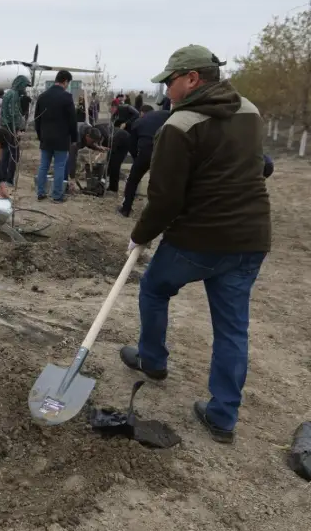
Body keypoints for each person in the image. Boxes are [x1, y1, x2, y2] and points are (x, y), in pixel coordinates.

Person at [122, 45, 270, 444]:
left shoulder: (180, 124)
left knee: (154, 289)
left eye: (170, 82)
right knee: (232, 328)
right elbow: (261, 164)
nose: (166, 91)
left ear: (192, 79)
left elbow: (166, 198)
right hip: (250, 238)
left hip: (198, 239)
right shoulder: (251, 111)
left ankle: (152, 360)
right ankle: (222, 416)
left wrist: (140, 234)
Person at [118, 104, 170, 216]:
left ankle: (126, 209)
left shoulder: (138, 122)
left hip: (145, 152)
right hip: (163, 150)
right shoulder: (166, 114)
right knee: (161, 182)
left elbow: (132, 146)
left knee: (133, 180)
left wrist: (138, 160)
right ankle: (160, 212)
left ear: (142, 113)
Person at [33, 70, 77, 202]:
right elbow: (72, 121)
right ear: (65, 81)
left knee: (44, 166)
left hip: (46, 138)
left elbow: (37, 119)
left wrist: (40, 136)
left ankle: (40, 192)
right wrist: (74, 139)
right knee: (59, 166)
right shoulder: (67, 97)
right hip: (61, 139)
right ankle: (57, 195)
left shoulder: (42, 96)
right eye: (68, 83)